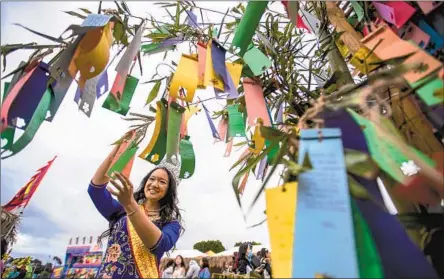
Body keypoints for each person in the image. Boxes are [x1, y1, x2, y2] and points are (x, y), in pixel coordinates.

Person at [88, 144, 184, 279]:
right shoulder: (121, 211)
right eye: (152, 179)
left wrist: (130, 205)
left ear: (169, 190)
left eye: (162, 182)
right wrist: (118, 150)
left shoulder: (171, 224)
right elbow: (95, 190)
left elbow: (159, 245)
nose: (155, 184)